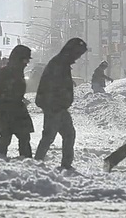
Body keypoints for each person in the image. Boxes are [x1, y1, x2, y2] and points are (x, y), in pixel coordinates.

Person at [34, 37, 88, 167]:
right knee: (50, 136)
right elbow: (52, 86)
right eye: (78, 54)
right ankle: (37, 163)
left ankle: (63, 164)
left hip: (58, 107)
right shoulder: (59, 64)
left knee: (67, 134)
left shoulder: (61, 63)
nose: (78, 58)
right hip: (54, 107)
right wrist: (56, 103)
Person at [0, 45, 35, 158]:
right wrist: (14, 100)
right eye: (26, 60)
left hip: (10, 111)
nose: (27, 63)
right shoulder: (9, 72)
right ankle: (25, 162)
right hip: (10, 111)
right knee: (11, 138)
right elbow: (4, 92)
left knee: (12, 138)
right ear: (19, 59)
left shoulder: (15, 71)